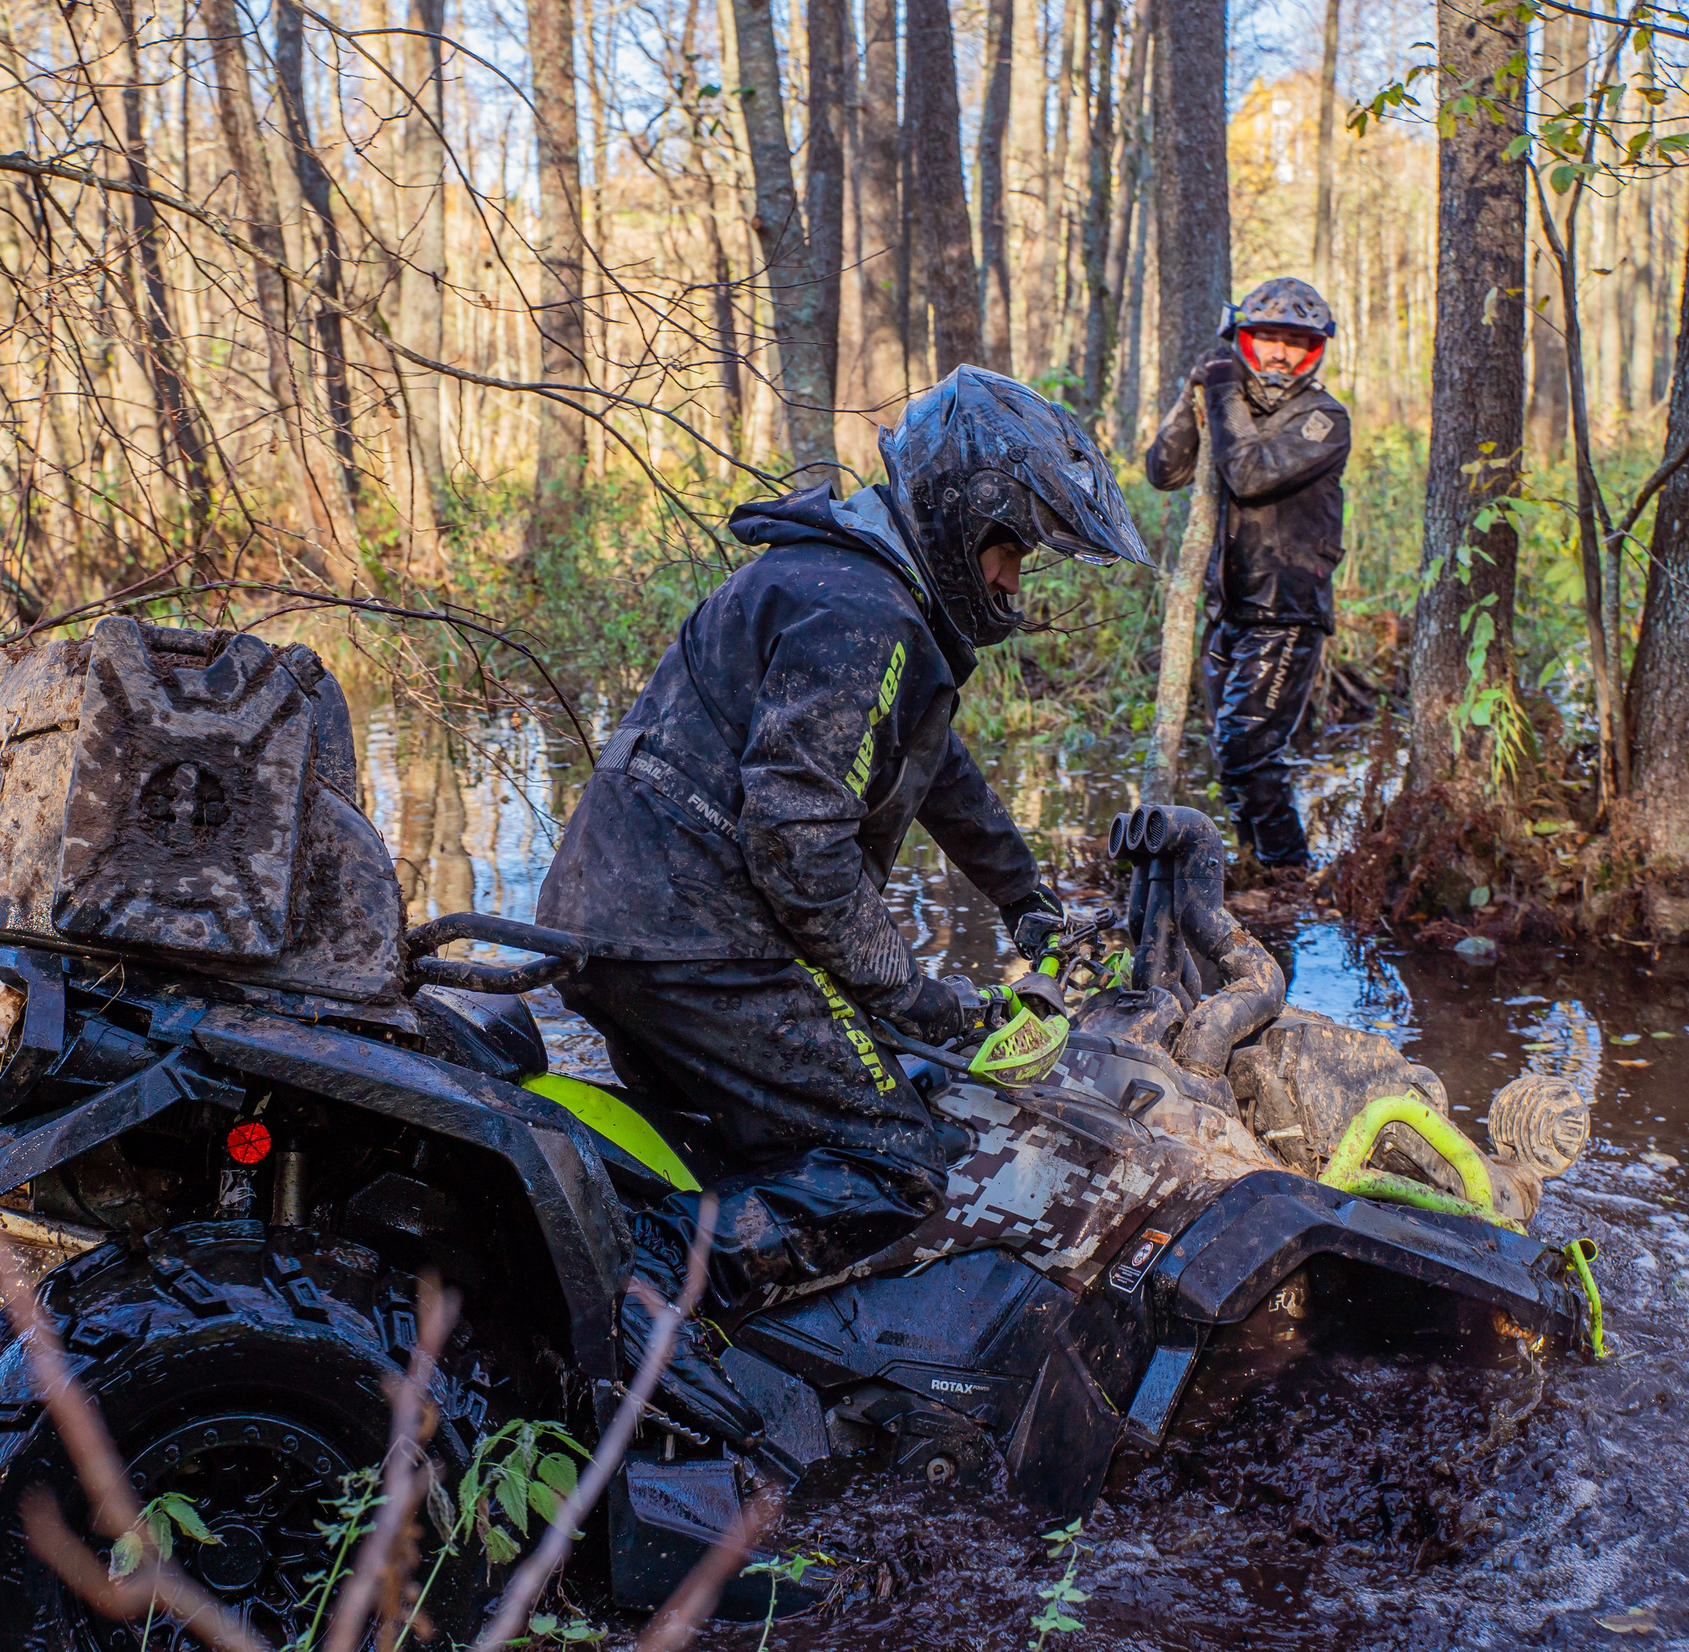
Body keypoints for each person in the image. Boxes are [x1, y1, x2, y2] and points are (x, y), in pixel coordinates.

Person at [534, 367, 1148, 1445]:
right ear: (965, 518)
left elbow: (937, 767)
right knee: (892, 1158)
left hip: (637, 922)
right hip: (694, 939)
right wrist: (912, 995)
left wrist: (1027, 902)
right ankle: (627, 1312)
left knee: (756, 1147)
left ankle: (742, 1346)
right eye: (1012, 550)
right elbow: (797, 837)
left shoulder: (863, 589)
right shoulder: (856, 606)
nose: (1013, 580)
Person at [1145, 277, 1350, 870]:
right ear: (1242, 340)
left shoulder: (1323, 419)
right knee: (1228, 750)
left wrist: (1224, 393)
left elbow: (1252, 474)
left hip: (1285, 610)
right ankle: (1252, 868)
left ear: (1316, 351)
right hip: (1226, 607)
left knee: (1249, 747)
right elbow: (1164, 470)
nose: (1281, 355)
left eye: (1297, 343)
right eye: (1267, 340)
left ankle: (1289, 873)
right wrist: (1197, 395)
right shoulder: (1228, 396)